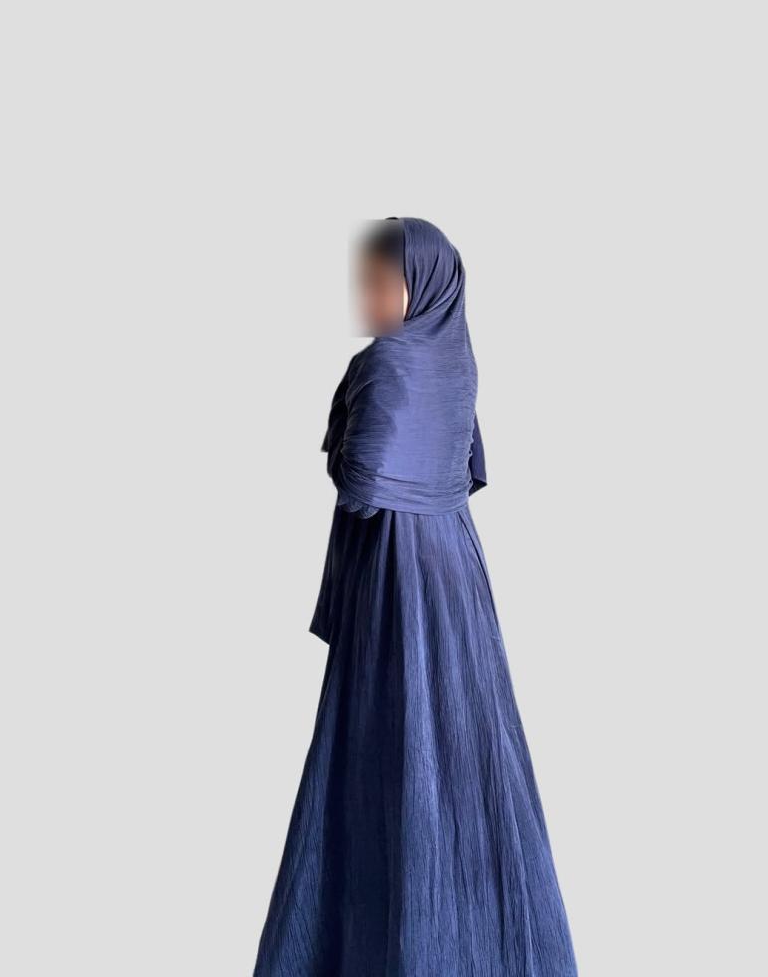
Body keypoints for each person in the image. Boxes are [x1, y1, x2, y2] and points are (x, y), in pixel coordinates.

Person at [252, 217, 578, 977]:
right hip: (454, 568)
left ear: (422, 286)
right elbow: (456, 468)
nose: (367, 297)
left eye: (381, 282)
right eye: (363, 281)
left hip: (397, 573)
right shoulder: (456, 361)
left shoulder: (387, 363)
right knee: (461, 744)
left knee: (385, 741)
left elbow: (363, 481)